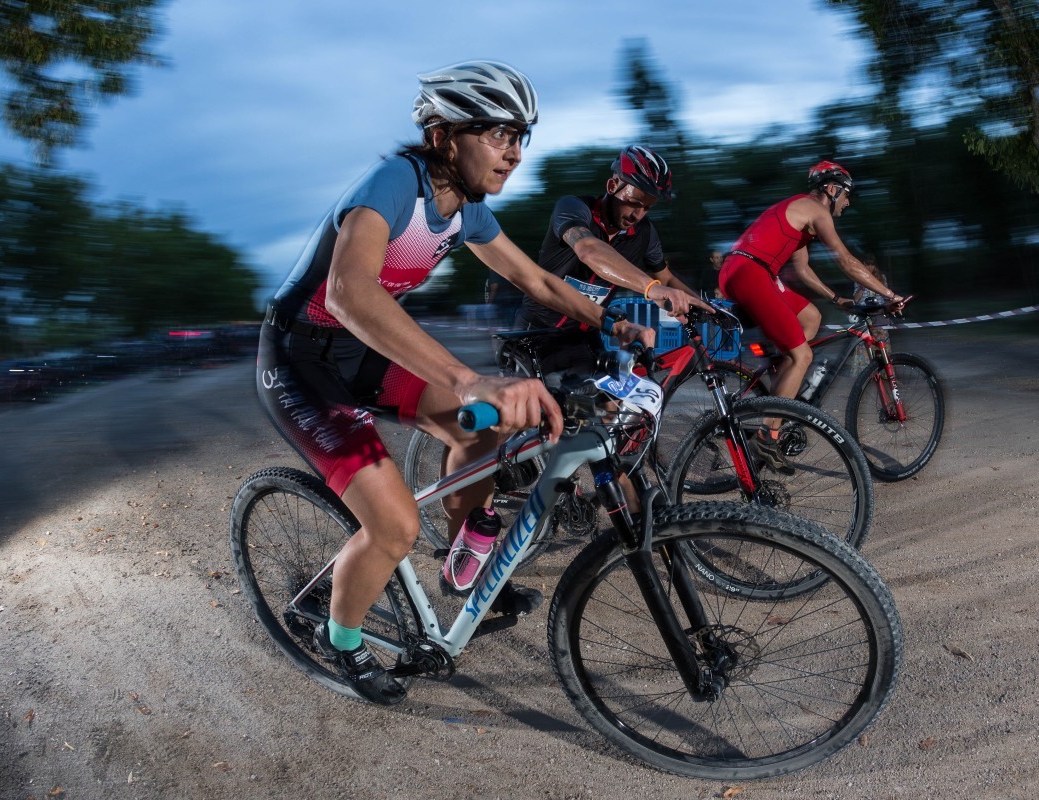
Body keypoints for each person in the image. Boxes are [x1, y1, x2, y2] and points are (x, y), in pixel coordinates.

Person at [257, 60, 653, 705]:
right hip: (301, 357)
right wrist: (469, 380)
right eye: (499, 135)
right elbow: (348, 290)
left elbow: (539, 281)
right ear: (444, 136)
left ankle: (465, 566)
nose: (515, 154)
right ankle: (341, 637)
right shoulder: (394, 182)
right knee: (393, 525)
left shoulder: (466, 210)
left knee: (487, 432)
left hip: (361, 350)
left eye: (521, 137)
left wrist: (611, 317)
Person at [718, 160, 905, 471]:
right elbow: (846, 260)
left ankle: (782, 370)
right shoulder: (816, 210)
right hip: (751, 272)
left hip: (746, 271)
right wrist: (890, 295)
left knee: (811, 318)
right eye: (846, 195)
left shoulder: (798, 213)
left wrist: (837, 299)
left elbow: (802, 270)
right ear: (831, 190)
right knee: (802, 356)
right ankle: (768, 436)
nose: (847, 202)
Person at [514, 145, 712, 374]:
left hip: (585, 333)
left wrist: (704, 306)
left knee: (607, 404)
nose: (637, 215)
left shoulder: (645, 233)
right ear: (612, 185)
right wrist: (650, 288)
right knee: (530, 407)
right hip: (537, 329)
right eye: (634, 202)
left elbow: (665, 278)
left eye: (647, 208)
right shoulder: (574, 208)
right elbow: (589, 250)